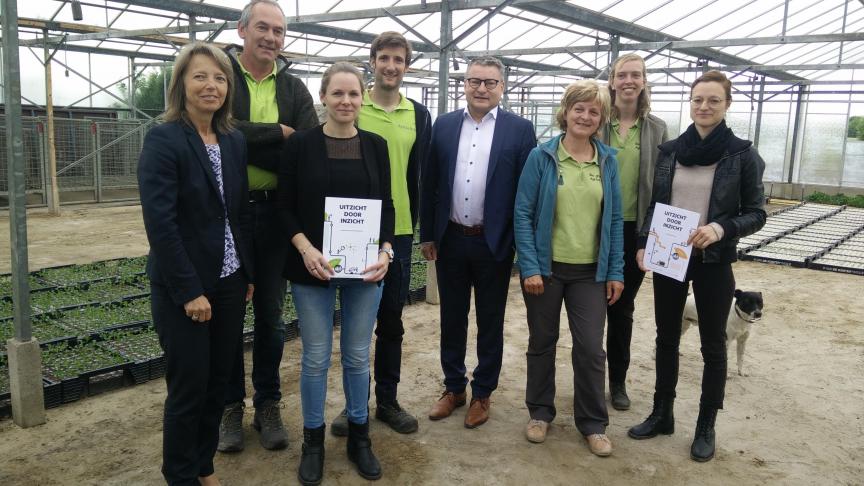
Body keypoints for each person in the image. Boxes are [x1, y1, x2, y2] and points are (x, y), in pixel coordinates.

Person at [628, 70, 766, 462]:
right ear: (690, 103)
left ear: (727, 104)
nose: (704, 107)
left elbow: (757, 212)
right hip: (671, 253)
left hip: (713, 260)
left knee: (712, 345)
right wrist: (643, 243)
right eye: (698, 100)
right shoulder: (671, 151)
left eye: (713, 101)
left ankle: (706, 425)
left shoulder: (741, 154)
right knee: (666, 336)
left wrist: (721, 228)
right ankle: (662, 413)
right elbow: (656, 204)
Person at [138, 42, 254, 485]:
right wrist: (189, 290)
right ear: (181, 84)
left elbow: (239, 211)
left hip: (228, 279)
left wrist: (246, 273)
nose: (211, 85)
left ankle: (203, 466)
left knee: (218, 384)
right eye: (200, 76)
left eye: (220, 77)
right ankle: (181, 476)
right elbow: (161, 224)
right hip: (183, 287)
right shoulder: (164, 139)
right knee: (188, 388)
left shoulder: (232, 140)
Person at [277, 62, 394, 485]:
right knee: (314, 358)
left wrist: (386, 250)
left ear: (363, 99)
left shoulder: (376, 146)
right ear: (323, 97)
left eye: (353, 94)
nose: (346, 102)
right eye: (337, 94)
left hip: (364, 270)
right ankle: (313, 441)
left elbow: (388, 205)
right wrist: (306, 249)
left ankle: (359, 437)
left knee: (358, 355)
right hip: (313, 269)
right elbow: (284, 205)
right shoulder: (301, 145)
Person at [219, 0, 320, 453]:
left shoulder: (295, 88)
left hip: (276, 214)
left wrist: (245, 139)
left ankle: (268, 402)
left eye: (279, 31)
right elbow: (217, 133)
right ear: (243, 30)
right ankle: (228, 408)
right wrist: (275, 134)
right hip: (230, 214)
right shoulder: (221, 77)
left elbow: (303, 150)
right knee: (227, 315)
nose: (272, 38)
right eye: (263, 27)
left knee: (271, 319)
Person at [420, 57, 536, 429]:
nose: (481, 88)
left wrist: (520, 241)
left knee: (490, 321)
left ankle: (482, 392)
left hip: (493, 242)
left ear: (502, 87)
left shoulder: (519, 130)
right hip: (452, 238)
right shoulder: (445, 125)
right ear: (464, 85)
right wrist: (428, 233)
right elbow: (430, 181)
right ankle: (453, 388)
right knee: (451, 317)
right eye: (474, 81)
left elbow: (525, 190)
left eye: (490, 82)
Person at [513, 80, 624, 456]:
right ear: (566, 112)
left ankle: (593, 423)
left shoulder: (606, 160)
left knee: (591, 348)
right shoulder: (542, 156)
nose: (586, 116)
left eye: (594, 111)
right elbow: (523, 213)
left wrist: (616, 271)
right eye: (579, 108)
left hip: (590, 273)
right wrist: (528, 266)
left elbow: (614, 220)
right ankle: (540, 413)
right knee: (542, 343)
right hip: (546, 269)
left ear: (602, 119)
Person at [330, 31, 431, 436]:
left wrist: (421, 226)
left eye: (399, 60)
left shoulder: (418, 115)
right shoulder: (354, 104)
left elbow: (419, 174)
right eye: (384, 58)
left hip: (400, 231)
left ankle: (387, 400)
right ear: (372, 61)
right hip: (353, 228)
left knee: (391, 319)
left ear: (407, 66)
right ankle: (354, 403)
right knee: (354, 321)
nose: (391, 66)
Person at [601, 54, 668, 411]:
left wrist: (652, 239)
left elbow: (663, 187)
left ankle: (618, 381)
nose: (629, 81)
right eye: (622, 75)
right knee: (591, 307)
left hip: (635, 232)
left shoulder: (656, 129)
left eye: (636, 75)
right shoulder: (597, 121)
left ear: (643, 82)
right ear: (611, 81)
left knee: (622, 308)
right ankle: (592, 378)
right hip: (595, 229)